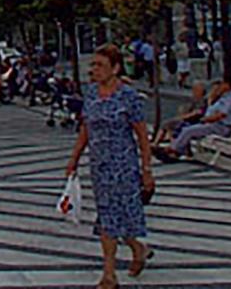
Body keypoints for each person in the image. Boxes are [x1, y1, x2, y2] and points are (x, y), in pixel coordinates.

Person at [66, 44, 154, 289]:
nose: (94, 69)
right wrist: (74, 159)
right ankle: (135, 252)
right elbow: (86, 129)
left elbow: (141, 135)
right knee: (110, 216)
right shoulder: (91, 93)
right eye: (93, 64)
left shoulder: (128, 96)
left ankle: (109, 274)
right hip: (100, 167)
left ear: (115, 68)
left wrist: (147, 170)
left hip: (124, 166)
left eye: (100, 65)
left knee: (117, 217)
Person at [157, 75, 231, 160]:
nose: (220, 86)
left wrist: (206, 120)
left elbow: (221, 115)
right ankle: (175, 150)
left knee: (189, 130)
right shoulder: (226, 96)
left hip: (221, 127)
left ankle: (173, 150)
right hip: (216, 124)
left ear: (227, 85)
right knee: (186, 127)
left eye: (222, 84)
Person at [152, 81, 206, 146]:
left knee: (168, 124)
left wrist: (182, 117)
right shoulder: (194, 99)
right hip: (187, 120)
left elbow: (197, 112)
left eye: (195, 90)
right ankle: (160, 142)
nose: (193, 92)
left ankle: (167, 144)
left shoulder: (201, 102)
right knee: (167, 125)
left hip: (192, 122)